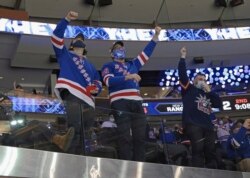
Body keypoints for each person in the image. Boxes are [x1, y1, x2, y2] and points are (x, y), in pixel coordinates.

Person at [101, 26, 161, 161]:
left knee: (140, 137)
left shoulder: (133, 64)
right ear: (112, 53)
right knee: (125, 137)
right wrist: (128, 77)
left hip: (137, 102)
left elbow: (146, 53)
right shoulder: (108, 66)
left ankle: (140, 167)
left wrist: (155, 36)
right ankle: (127, 168)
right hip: (120, 102)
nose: (121, 50)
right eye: (117, 48)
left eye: (122, 48)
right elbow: (109, 81)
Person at [51, 11, 102, 154]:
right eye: (76, 39)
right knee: (74, 129)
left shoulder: (90, 65)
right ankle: (72, 163)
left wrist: (95, 88)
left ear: (85, 47)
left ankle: (82, 163)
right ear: (71, 44)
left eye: (82, 40)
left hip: (89, 100)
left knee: (85, 133)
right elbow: (55, 37)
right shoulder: (65, 55)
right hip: (72, 93)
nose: (79, 41)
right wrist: (66, 19)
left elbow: (98, 80)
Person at [178, 47, 222, 168]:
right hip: (193, 124)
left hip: (208, 126)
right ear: (194, 80)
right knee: (197, 150)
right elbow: (182, 74)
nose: (201, 80)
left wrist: (209, 90)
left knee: (210, 152)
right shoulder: (188, 89)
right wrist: (182, 58)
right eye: (199, 78)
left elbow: (218, 105)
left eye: (203, 79)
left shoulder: (208, 93)